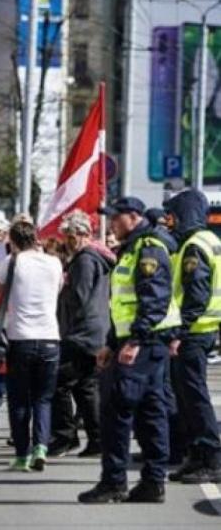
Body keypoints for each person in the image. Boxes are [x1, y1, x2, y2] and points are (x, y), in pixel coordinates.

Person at [79, 197, 180, 504]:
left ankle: (114, 482)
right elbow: (123, 306)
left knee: (116, 410)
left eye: (115, 218)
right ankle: (152, 482)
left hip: (144, 342)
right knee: (150, 412)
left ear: (133, 217)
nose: (110, 224)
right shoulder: (134, 248)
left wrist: (134, 341)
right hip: (141, 342)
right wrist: (111, 343)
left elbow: (154, 299)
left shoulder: (148, 248)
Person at [0, 220, 63, 472]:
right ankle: (41, 446)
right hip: (50, 337)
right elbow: (59, 288)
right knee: (43, 397)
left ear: (13, 241)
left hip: (20, 338)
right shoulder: (54, 262)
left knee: (19, 400)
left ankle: (22, 455)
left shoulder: (12, 262)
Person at [163, 189, 221, 483]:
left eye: (172, 215)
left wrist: (179, 333)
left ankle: (211, 458)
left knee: (194, 398)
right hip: (204, 330)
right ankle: (196, 456)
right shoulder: (211, 240)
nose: (168, 221)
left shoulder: (194, 246)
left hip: (193, 333)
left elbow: (196, 296)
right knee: (188, 398)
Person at [50, 210, 111, 459]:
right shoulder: (97, 257)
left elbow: (79, 296)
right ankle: (96, 439)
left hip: (82, 331)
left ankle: (65, 437)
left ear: (81, 235)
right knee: (86, 387)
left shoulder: (86, 260)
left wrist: (62, 290)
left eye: (69, 236)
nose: (66, 241)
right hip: (93, 331)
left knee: (59, 382)